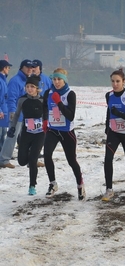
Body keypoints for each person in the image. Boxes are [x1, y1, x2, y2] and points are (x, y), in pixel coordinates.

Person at [43, 68, 85, 200]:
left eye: (59, 79)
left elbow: (70, 116)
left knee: (71, 160)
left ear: (64, 80)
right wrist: (45, 120)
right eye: (54, 79)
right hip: (53, 130)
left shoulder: (70, 94)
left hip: (67, 132)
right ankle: (53, 183)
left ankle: (80, 184)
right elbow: (45, 106)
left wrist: (59, 102)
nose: (56, 82)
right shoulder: (48, 92)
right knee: (47, 155)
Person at [101, 69, 125, 205]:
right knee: (108, 159)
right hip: (114, 132)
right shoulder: (109, 95)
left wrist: (120, 113)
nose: (115, 84)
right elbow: (109, 112)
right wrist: (107, 127)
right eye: (113, 81)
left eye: (118, 81)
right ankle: (109, 189)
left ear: (124, 82)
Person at [7, 75, 46, 195]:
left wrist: (49, 129)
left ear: (37, 88)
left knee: (33, 160)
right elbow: (17, 114)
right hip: (26, 133)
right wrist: (12, 128)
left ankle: (32, 186)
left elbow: (47, 117)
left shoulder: (43, 100)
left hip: (40, 134)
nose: (29, 89)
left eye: (32, 87)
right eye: (28, 86)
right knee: (22, 161)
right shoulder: (22, 100)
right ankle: (29, 154)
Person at [0, 59, 35, 168]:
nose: (30, 69)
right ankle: (4, 159)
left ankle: (31, 159)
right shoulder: (15, 81)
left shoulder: (29, 80)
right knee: (12, 136)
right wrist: (12, 112)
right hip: (18, 114)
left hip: (28, 114)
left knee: (30, 136)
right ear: (22, 67)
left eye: (31, 67)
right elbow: (11, 98)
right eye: (27, 67)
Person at [0, 60, 12, 152]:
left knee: (3, 132)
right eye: (8, 68)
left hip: (4, 110)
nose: (9, 69)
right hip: (1, 111)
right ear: (4, 68)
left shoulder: (4, 79)